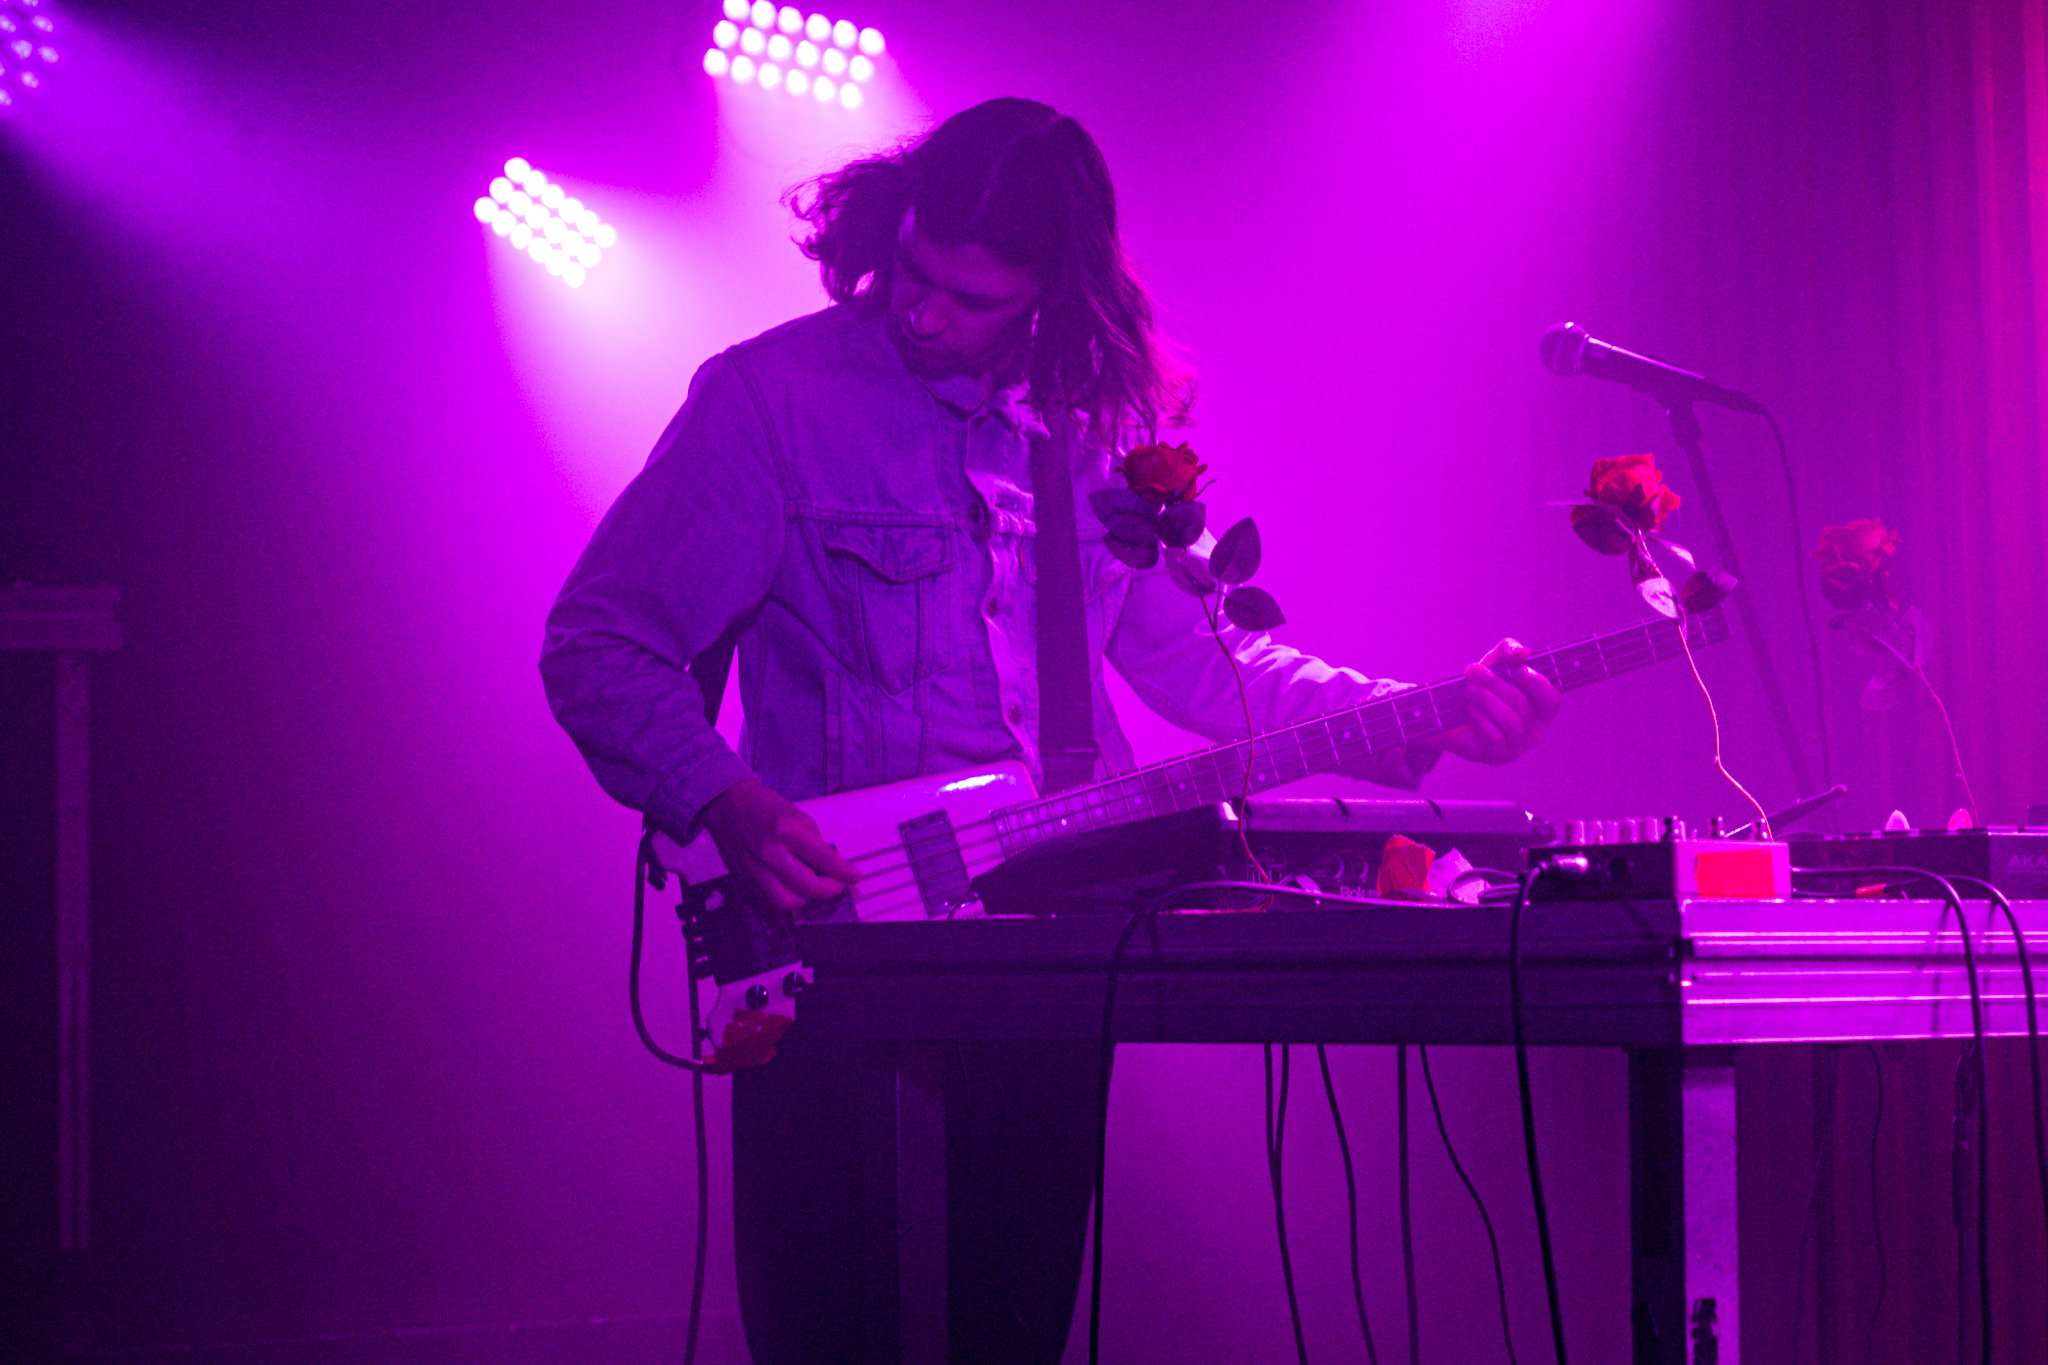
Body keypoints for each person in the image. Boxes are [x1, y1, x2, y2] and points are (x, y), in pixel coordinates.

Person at [541, 97, 1560, 1365]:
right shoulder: (771, 401)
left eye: (969, 299)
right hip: (838, 945)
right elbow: (600, 642)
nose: (923, 316)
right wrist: (727, 801)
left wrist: (1417, 714)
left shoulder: (1087, 438)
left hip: (1049, 949)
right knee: (835, 1327)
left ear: (1050, 295)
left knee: (1010, 1321)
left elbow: (1212, 665)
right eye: (911, 274)